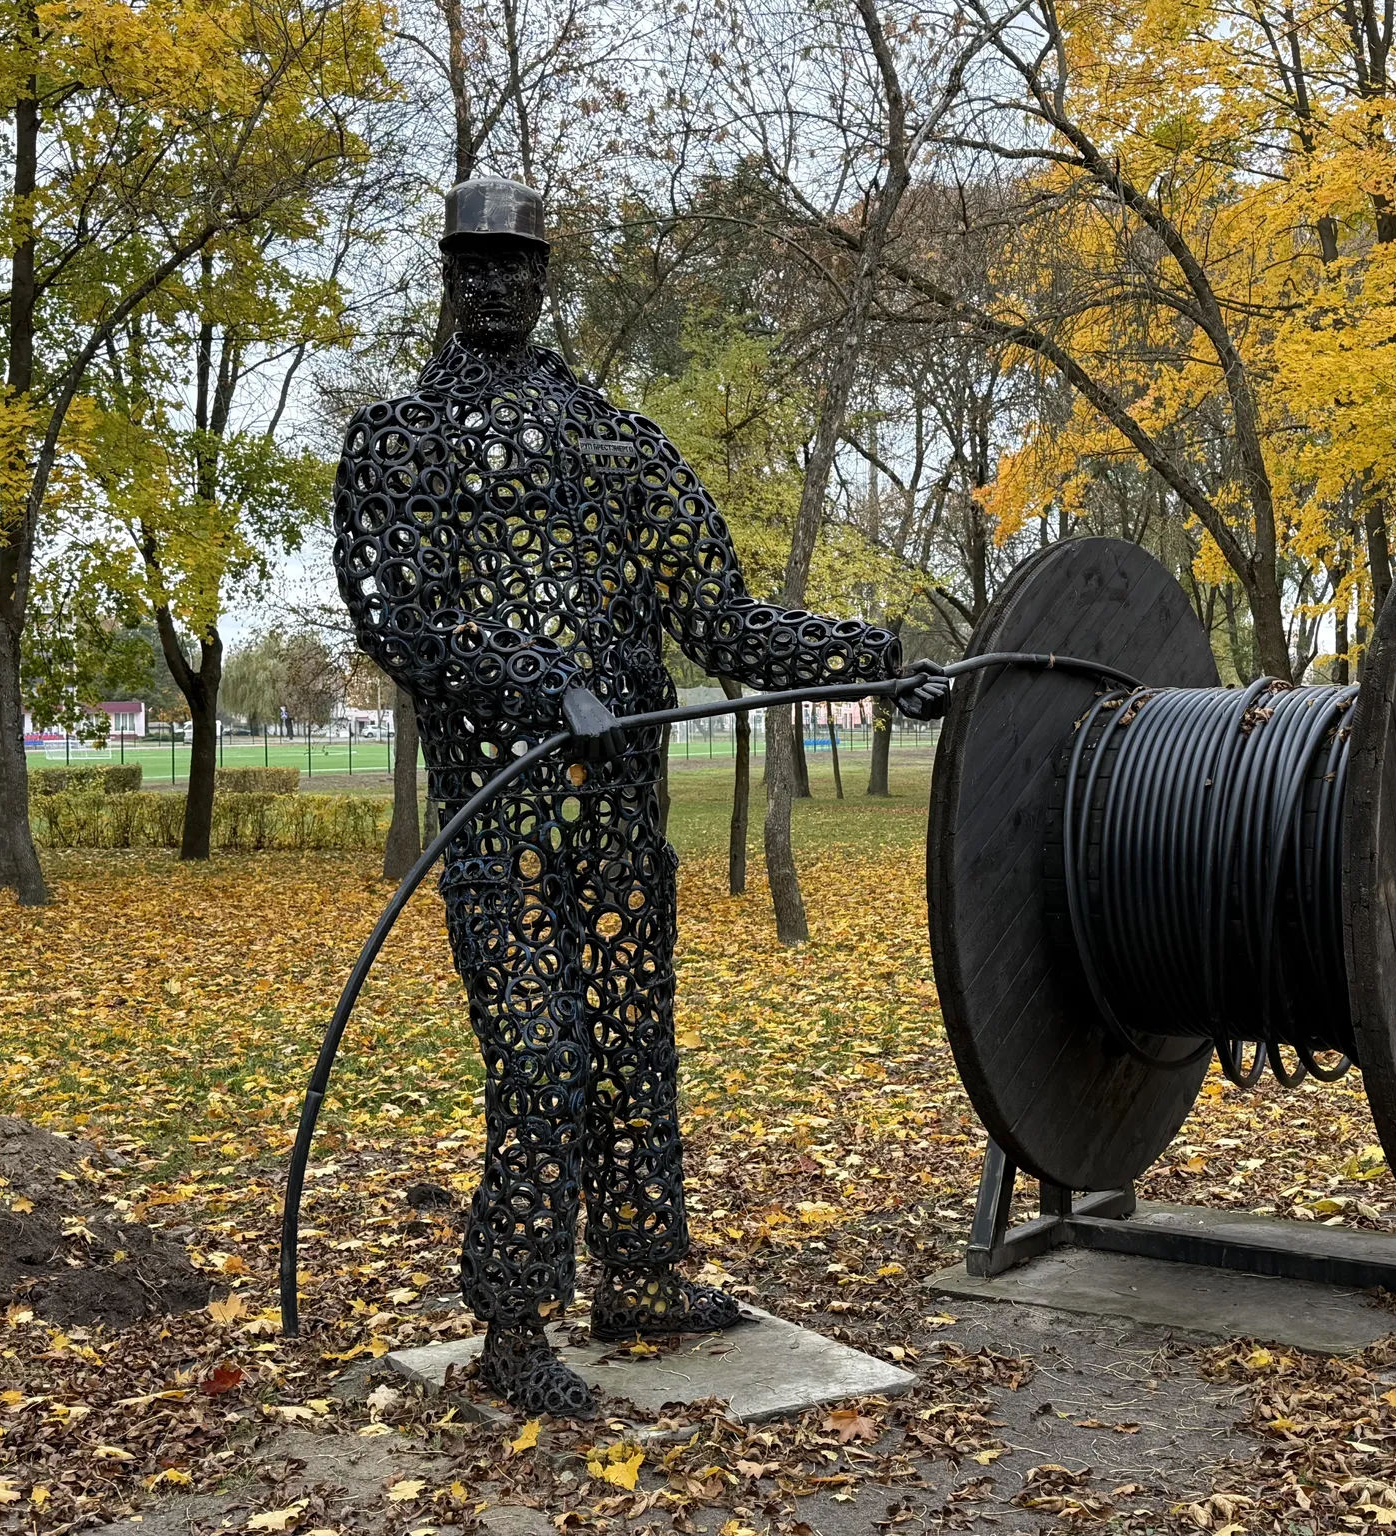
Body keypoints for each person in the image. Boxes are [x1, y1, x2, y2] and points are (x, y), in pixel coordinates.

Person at [332, 176, 946, 1416]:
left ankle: (642, 1274)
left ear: (543, 277)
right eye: (474, 265)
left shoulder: (620, 447)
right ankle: (512, 1320)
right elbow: (399, 616)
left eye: (515, 265)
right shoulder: (397, 444)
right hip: (498, 820)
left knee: (628, 1050)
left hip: (619, 821)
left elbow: (719, 621)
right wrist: (540, 680)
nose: (495, 284)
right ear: (448, 278)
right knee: (541, 1061)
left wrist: (871, 664)